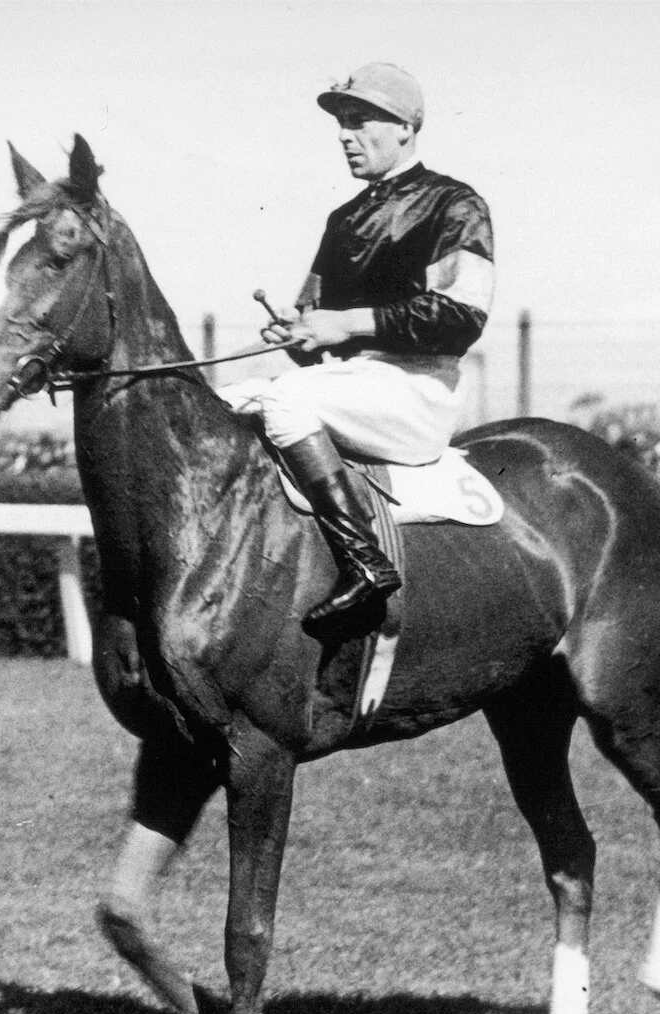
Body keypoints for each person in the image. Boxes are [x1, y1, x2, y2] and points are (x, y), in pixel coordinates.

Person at [221, 62, 495, 638]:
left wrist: (343, 325)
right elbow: (317, 339)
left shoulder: (454, 203)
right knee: (225, 403)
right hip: (348, 387)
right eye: (342, 123)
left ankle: (366, 563)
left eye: (360, 121)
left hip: (416, 389)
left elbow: (461, 317)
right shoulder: (342, 220)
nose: (345, 136)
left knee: (284, 401)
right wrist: (299, 334)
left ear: (406, 128)